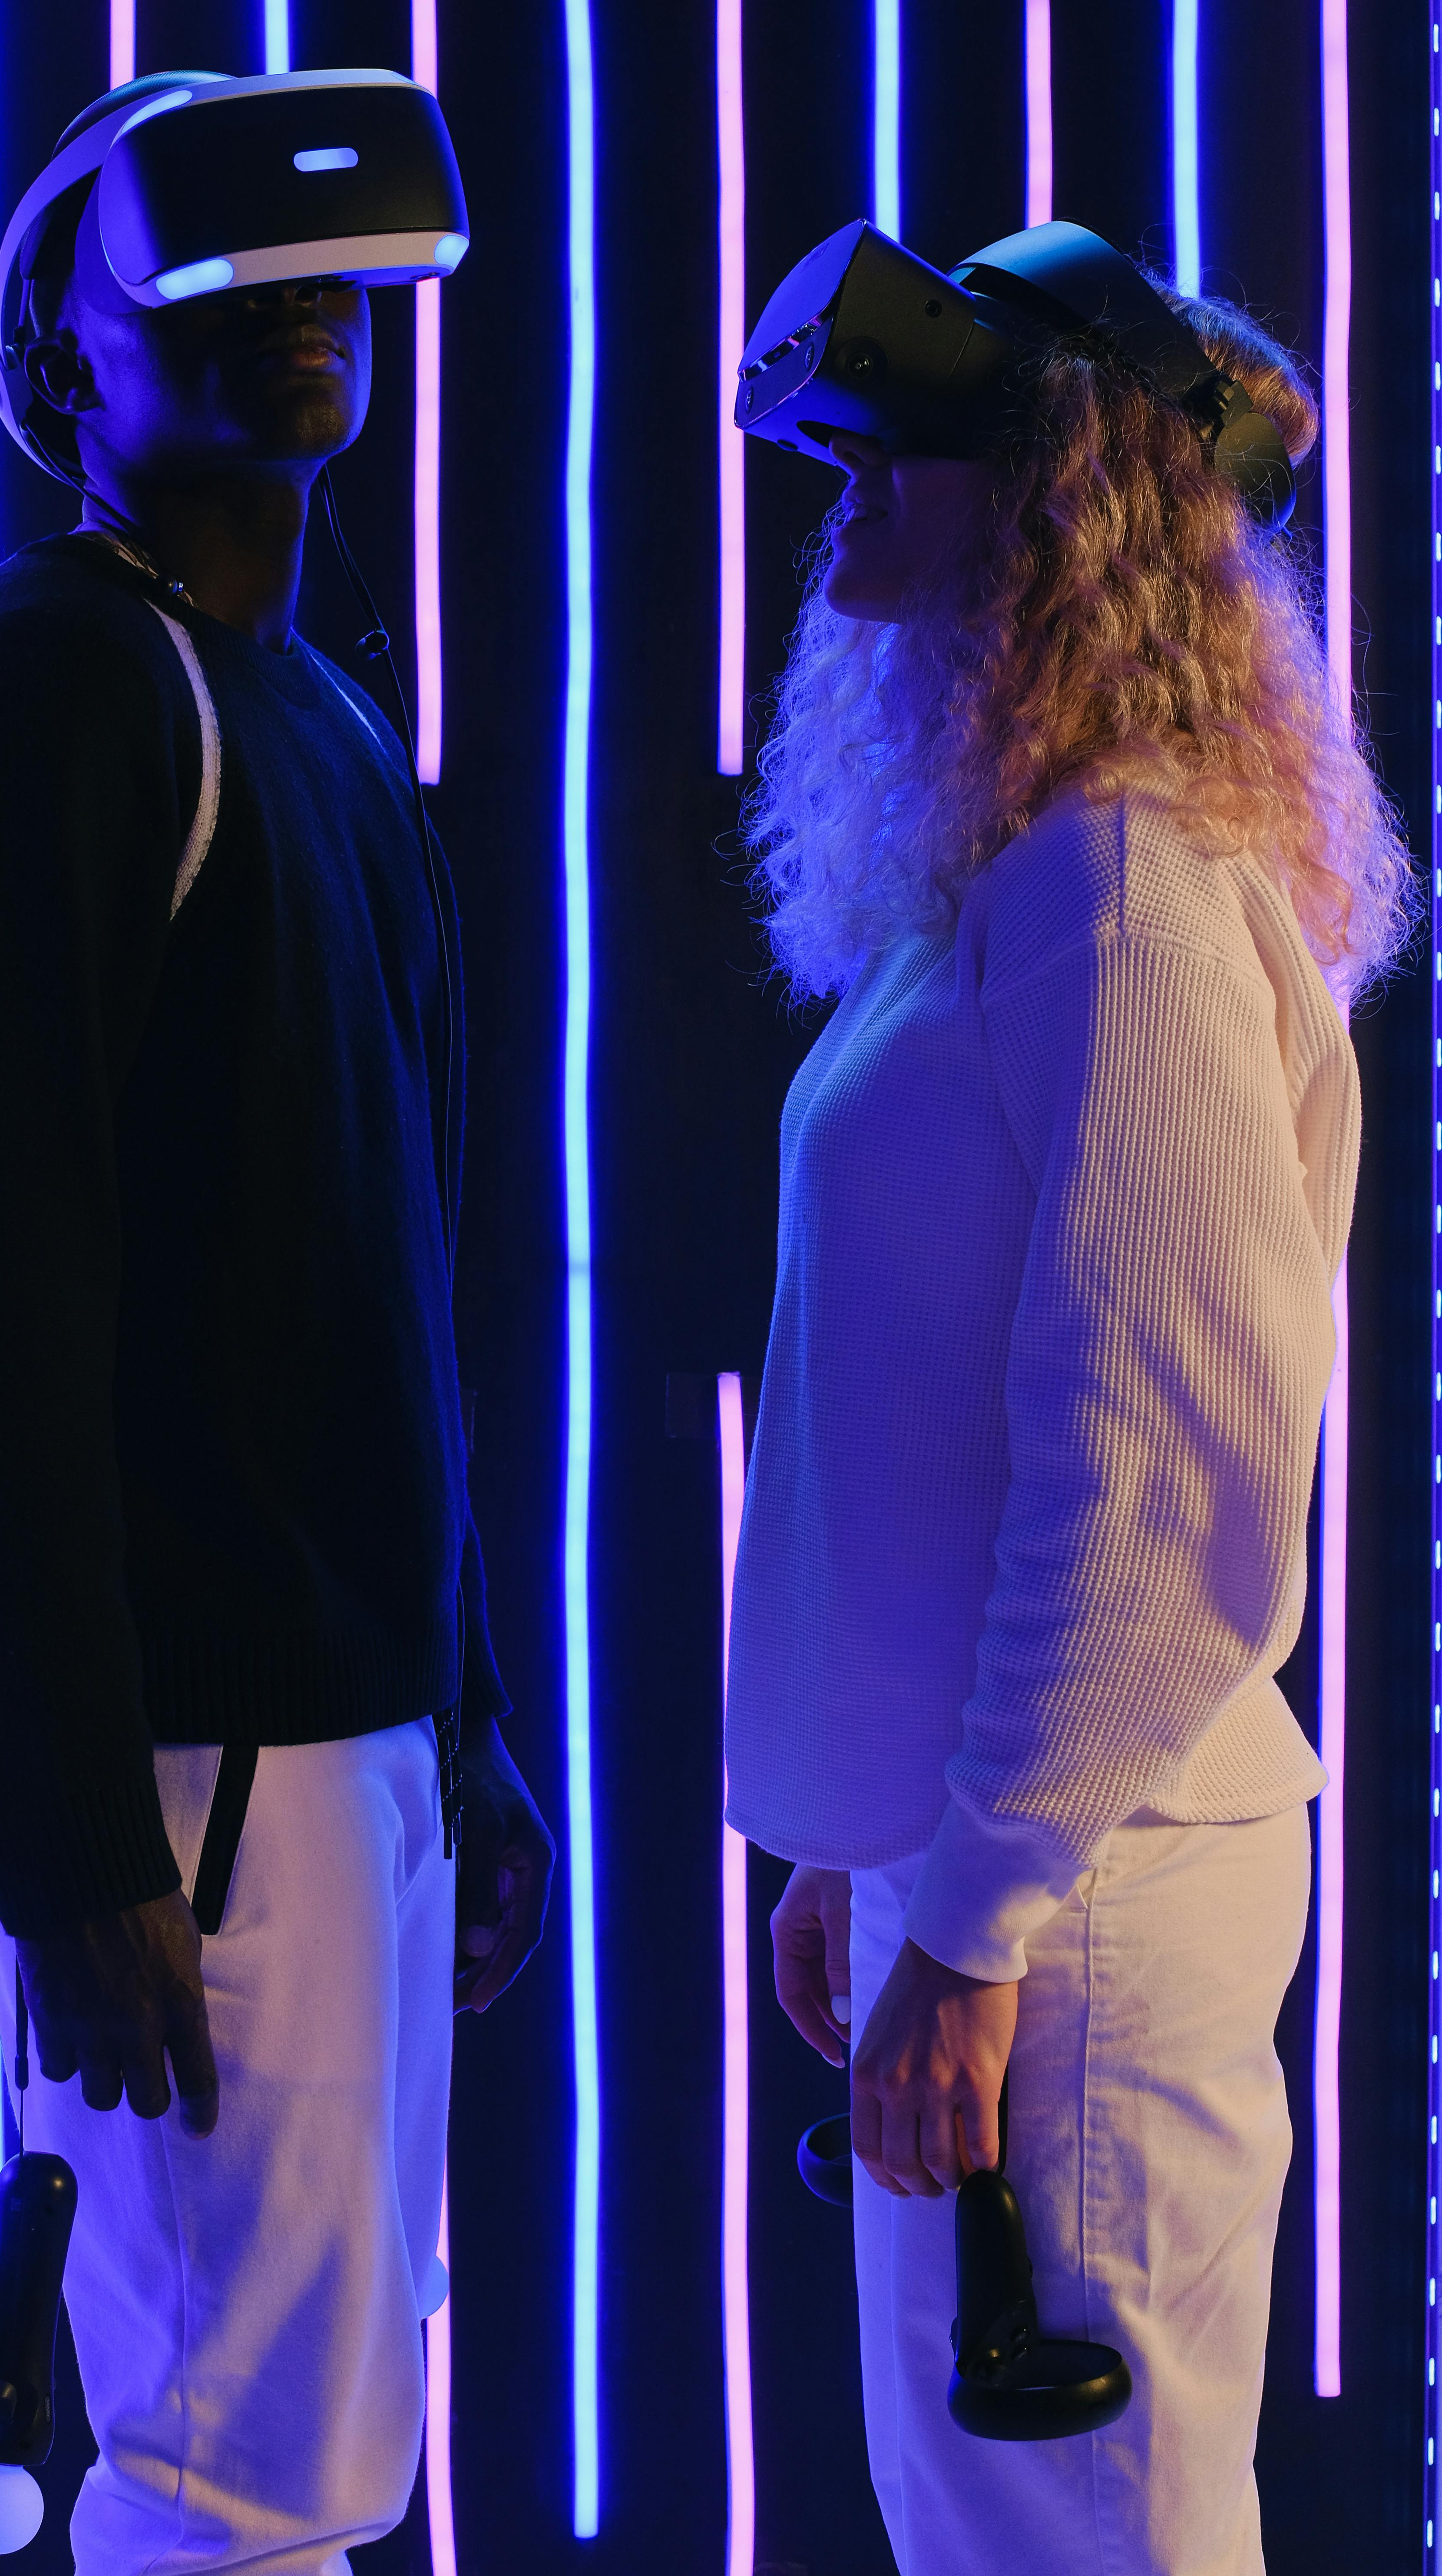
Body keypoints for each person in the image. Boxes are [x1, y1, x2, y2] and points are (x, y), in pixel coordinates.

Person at [0, 73, 552, 2576]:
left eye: (328, 283)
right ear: (60, 356)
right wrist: (64, 1836)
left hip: (309, 1726)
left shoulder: (305, 715)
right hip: (180, 1748)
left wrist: (458, 1717)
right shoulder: (50, 693)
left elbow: (366, 1285)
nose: (296, 315)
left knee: (295, 2431)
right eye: (220, 282)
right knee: (242, 2459)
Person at [725, 265, 1412, 2570]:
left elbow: (1169, 1478)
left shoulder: (1116, 894)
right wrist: (874, 1844)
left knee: (1079, 2542)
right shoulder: (1035, 879)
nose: (838, 510)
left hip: (1086, 1887)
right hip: (1019, 1865)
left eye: (890, 458)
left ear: (1054, 504)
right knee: (1007, 2535)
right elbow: (950, 1407)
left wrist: (986, 1910)